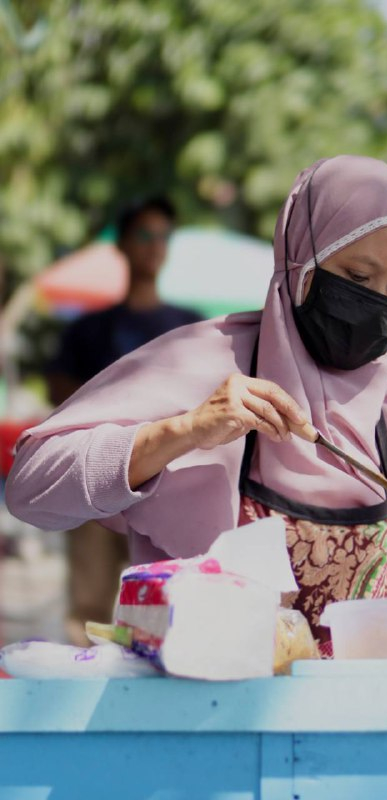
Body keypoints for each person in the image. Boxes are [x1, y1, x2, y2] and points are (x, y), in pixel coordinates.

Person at [7, 156, 387, 654]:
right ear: (301, 261)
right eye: (358, 278)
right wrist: (185, 431)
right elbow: (30, 490)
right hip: (203, 717)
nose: (376, 304)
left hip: (364, 722)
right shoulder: (203, 362)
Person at [45, 195, 203, 644]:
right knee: (88, 611)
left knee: (164, 610)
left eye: (163, 236)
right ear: (122, 245)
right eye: (144, 235)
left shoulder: (188, 327)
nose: (155, 246)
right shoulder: (86, 330)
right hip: (93, 484)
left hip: (168, 486)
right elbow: (61, 398)